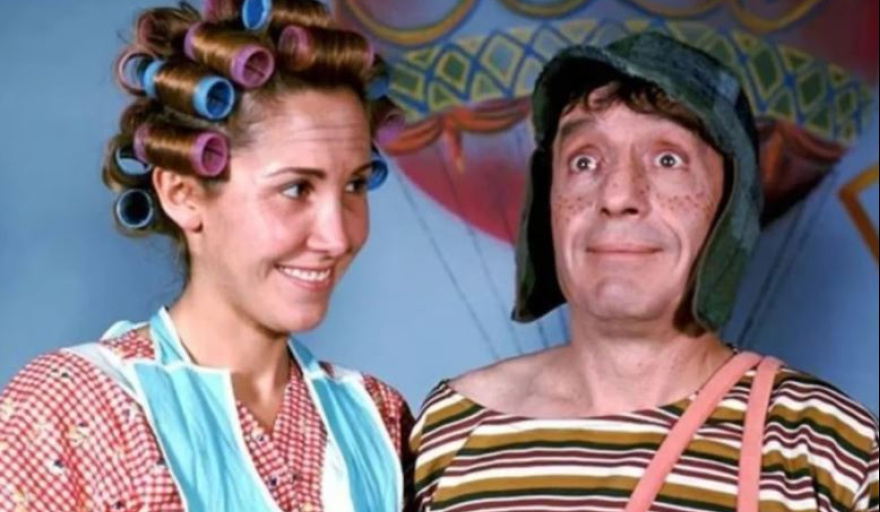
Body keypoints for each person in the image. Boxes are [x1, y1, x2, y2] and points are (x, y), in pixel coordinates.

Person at [409, 32, 879, 512]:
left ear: (732, 204)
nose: (617, 196)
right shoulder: (450, 429)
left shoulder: (827, 448)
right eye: (584, 161)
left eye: (668, 160)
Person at [0, 1, 412, 510]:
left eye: (355, 185)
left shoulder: (380, 418)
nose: (338, 236)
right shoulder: (70, 409)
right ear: (183, 194)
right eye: (296, 188)